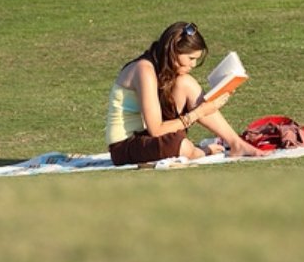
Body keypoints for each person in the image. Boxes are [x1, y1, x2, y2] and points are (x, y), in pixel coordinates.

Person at [105, 21, 265, 165]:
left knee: (185, 83)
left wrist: (216, 98)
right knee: (182, 146)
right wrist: (198, 113)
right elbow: (156, 130)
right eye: (190, 58)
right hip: (125, 146)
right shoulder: (144, 70)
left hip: (146, 137)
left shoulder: (160, 69)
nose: (193, 64)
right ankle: (199, 151)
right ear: (173, 52)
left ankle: (236, 143)